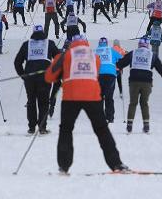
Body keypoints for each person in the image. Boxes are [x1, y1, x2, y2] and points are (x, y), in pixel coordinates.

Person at [45, 34, 129, 175]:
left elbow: (49, 77)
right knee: (102, 129)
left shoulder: (65, 55)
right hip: (91, 96)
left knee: (66, 130)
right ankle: (116, 163)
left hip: (71, 97)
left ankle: (64, 166)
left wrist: (62, 73)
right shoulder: (93, 56)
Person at [15, 25, 60, 134]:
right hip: (45, 76)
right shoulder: (50, 43)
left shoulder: (27, 44)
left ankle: (31, 127)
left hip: (30, 77)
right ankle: (42, 127)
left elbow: (17, 62)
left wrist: (23, 75)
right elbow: (59, 59)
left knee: (31, 101)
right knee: (44, 102)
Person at [116, 37, 162, 133]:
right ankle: (146, 125)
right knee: (144, 103)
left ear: (139, 44)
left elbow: (122, 63)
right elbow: (160, 68)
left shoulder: (133, 53)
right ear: (147, 45)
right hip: (147, 82)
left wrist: (118, 65)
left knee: (133, 103)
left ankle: (129, 125)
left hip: (134, 81)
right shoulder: (152, 55)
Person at [95, 37, 123, 123]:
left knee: (99, 96)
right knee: (109, 96)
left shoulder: (96, 51)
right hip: (111, 75)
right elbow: (121, 57)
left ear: (99, 43)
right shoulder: (111, 50)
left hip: (99, 75)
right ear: (107, 43)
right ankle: (110, 117)